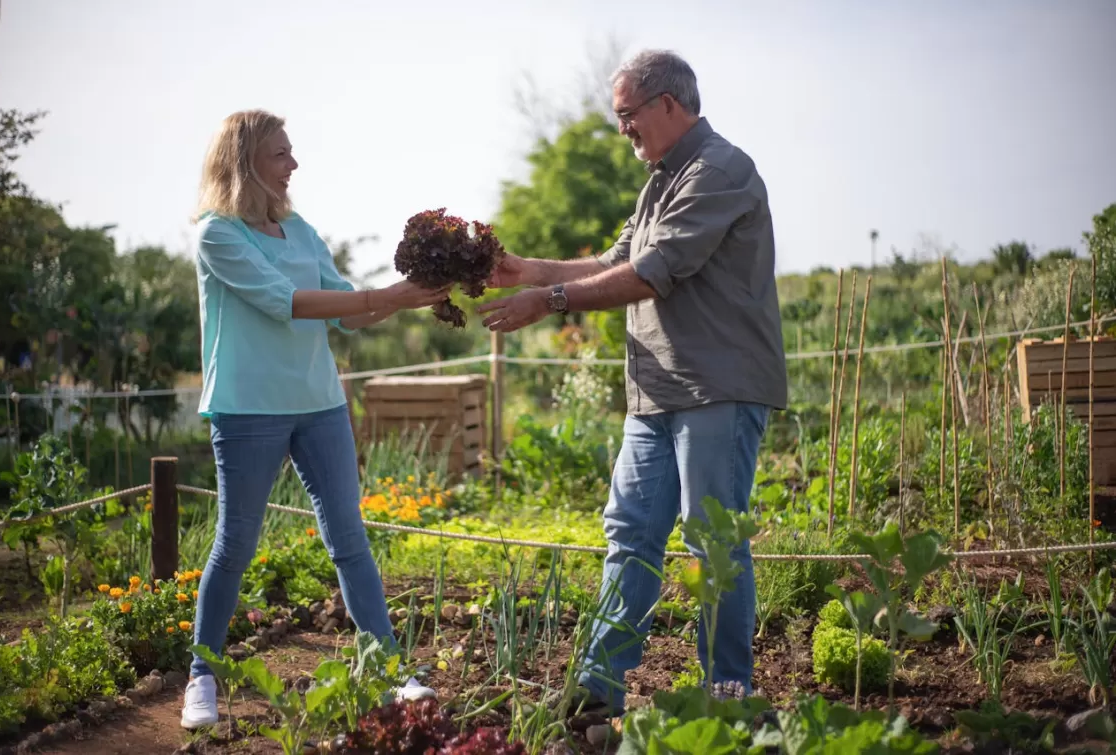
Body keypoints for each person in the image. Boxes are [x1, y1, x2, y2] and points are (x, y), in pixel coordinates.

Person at [478, 50, 788, 715]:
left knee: (712, 544)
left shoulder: (720, 171)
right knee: (630, 532)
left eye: (627, 116)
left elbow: (653, 272)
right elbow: (614, 260)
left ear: (667, 106)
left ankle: (728, 693)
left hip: (715, 388)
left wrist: (550, 300)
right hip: (655, 394)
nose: (623, 131)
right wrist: (524, 270)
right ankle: (597, 689)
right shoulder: (660, 179)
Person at [181, 109, 449, 730]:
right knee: (235, 544)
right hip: (248, 407)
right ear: (246, 160)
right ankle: (201, 677)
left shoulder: (298, 228)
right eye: (281, 153)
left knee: (349, 537)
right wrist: (386, 298)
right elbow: (287, 303)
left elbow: (347, 311)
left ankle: (384, 669)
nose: (294, 164)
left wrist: (410, 290)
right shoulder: (217, 235)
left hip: (319, 401)